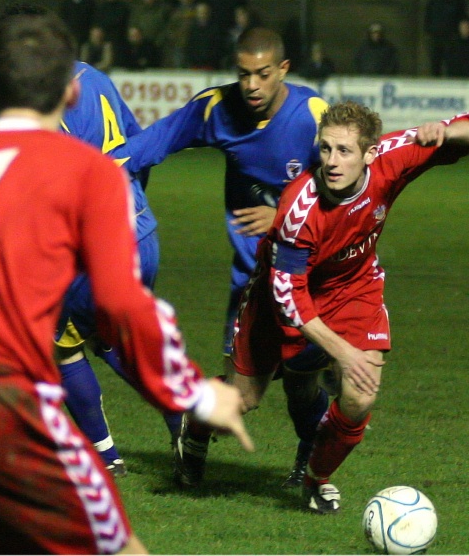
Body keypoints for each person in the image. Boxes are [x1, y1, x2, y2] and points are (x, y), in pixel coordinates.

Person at [0, 11, 253, 555]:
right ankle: (159, 431)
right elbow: (124, 303)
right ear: (69, 91)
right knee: (120, 546)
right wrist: (197, 394)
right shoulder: (86, 173)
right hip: (10, 409)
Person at [228, 101, 469, 513]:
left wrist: (444, 130)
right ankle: (193, 428)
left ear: (370, 154)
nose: (332, 162)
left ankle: (316, 477)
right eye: (326, 149)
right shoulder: (300, 209)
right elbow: (287, 298)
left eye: (345, 151)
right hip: (281, 301)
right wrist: (343, 352)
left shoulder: (392, 156)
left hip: (354, 288)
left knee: (360, 397)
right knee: (242, 401)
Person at [108, 27, 329, 489]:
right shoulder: (217, 108)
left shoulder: (312, 116)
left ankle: (311, 468)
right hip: (254, 282)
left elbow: (347, 188)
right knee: (243, 395)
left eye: (262, 74)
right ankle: (194, 435)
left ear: (283, 70)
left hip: (310, 278)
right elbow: (148, 146)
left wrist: (284, 215)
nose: (251, 85)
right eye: (244, 74)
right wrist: (84, 173)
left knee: (303, 379)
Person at [56, 58, 168, 477]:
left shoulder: (33, 99)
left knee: (62, 347)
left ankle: (106, 458)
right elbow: (139, 149)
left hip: (97, 248)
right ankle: (181, 421)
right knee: (110, 339)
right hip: (143, 233)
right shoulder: (95, 76)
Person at [184, 1, 223, 70]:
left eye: (205, 12)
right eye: (200, 12)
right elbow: (189, 47)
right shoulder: (192, 30)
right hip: (195, 65)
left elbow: (218, 47)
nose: (202, 14)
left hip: (210, 66)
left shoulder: (215, 29)